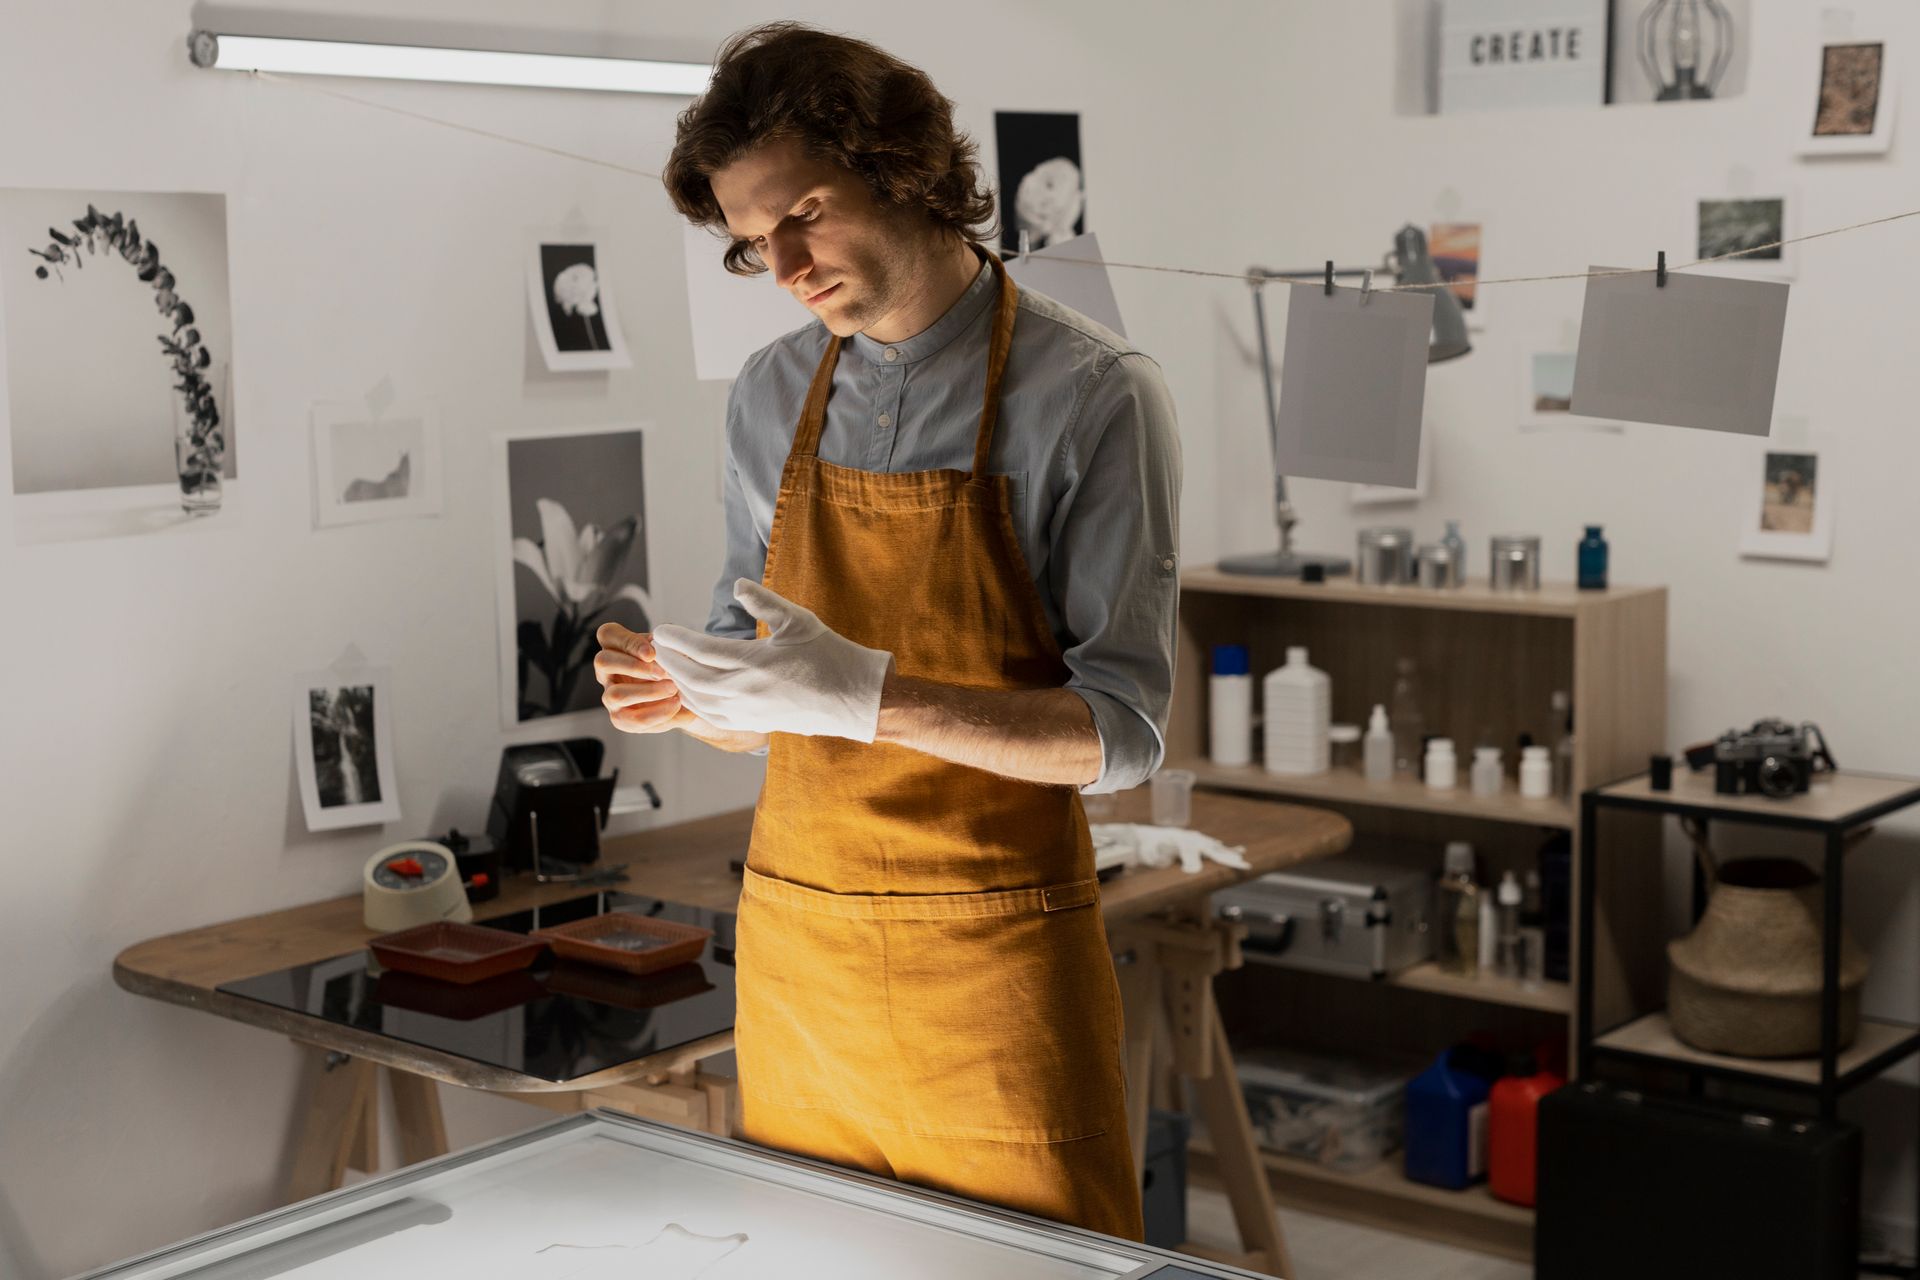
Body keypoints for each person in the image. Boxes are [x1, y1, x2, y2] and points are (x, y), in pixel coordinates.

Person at [593, 22, 1179, 1241]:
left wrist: (865, 697)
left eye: (806, 210)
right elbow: (762, 698)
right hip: (804, 960)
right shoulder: (769, 393)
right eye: (757, 241)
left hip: (995, 968)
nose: (790, 262)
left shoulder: (1093, 395)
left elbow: (1119, 736)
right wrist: (693, 694)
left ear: (903, 169)